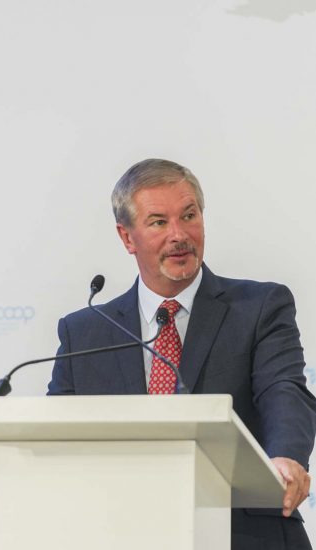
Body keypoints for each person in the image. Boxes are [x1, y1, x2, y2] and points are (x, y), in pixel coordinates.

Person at [48, 158, 316, 549]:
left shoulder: (259, 307)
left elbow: (283, 389)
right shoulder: (85, 333)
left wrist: (287, 456)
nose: (179, 235)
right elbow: (55, 437)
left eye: (189, 216)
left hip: (243, 534)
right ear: (127, 237)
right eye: (159, 222)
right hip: (122, 533)